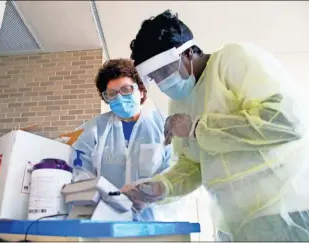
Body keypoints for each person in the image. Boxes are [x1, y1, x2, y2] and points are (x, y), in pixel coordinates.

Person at [121, 10, 309, 241]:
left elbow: (286, 121)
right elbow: (193, 165)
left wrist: (198, 129)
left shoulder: (233, 60)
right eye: (154, 77)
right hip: (234, 225)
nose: (161, 82)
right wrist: (163, 187)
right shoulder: (179, 104)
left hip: (285, 211)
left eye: (164, 71)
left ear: (188, 52)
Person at [72, 58, 172, 221]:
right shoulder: (94, 129)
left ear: (141, 91)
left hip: (154, 221)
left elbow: (175, 169)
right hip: (107, 219)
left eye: (126, 90)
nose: (119, 98)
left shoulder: (163, 125)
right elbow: (80, 171)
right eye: (111, 94)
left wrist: (152, 192)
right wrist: (106, 197)